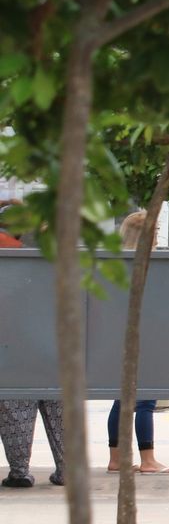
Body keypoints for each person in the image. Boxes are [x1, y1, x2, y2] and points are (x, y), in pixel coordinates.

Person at [0, 203, 65, 487]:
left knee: (16, 407)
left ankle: (19, 472)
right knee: (59, 407)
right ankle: (67, 469)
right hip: (54, 341)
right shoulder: (53, 250)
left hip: (12, 343)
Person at [104, 210, 169, 473]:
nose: (157, 237)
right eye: (154, 232)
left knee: (121, 399)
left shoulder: (116, 263)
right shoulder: (147, 264)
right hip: (146, 338)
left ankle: (116, 458)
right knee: (146, 400)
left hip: (118, 339)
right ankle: (148, 460)